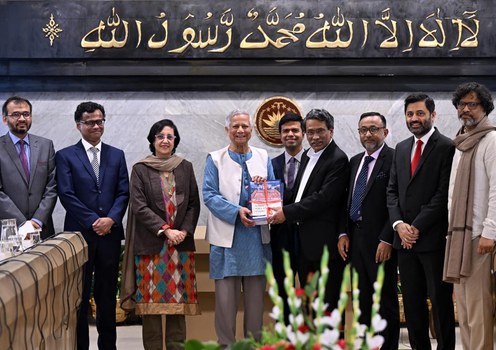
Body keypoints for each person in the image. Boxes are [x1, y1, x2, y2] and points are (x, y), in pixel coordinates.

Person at [121, 119, 201, 350]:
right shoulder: (140, 168)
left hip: (180, 246)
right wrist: (167, 230)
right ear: (152, 140)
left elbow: (194, 203)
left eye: (170, 136)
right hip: (151, 246)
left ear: (175, 141)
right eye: (160, 136)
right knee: (151, 309)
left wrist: (183, 231)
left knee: (178, 308)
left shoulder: (185, 166)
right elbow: (138, 205)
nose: (165, 140)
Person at [56, 101, 129, 350]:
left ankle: (108, 347)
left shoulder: (116, 154)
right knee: (79, 297)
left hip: (109, 235)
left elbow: (123, 193)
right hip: (79, 236)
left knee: (107, 297)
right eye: (90, 122)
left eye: (100, 121)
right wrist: (92, 220)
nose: (96, 126)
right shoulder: (65, 156)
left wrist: (110, 219)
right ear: (79, 125)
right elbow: (66, 194)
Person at [387, 94, 455, 350]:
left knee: (440, 303)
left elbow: (443, 194)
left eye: (420, 113)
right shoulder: (402, 147)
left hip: (432, 239)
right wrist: (399, 225)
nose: (414, 119)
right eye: (410, 114)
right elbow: (391, 191)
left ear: (432, 115)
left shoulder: (447, 147)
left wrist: (416, 226)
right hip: (404, 241)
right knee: (413, 304)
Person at [203, 110, 274, 346]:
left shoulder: (263, 157)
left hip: (256, 240)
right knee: (225, 306)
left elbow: (272, 193)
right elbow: (209, 195)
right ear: (227, 130)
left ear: (251, 131)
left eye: (245, 126)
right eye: (235, 127)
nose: (240, 131)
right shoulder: (214, 159)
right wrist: (236, 211)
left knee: (256, 308)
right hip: (226, 242)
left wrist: (264, 192)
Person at [270, 108, 349, 313]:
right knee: (310, 304)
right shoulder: (307, 155)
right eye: (311, 131)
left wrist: (286, 212)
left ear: (331, 131)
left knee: (328, 304)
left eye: (320, 131)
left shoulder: (338, 159)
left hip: (325, 243)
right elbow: (299, 194)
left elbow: (323, 198)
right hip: (304, 243)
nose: (315, 137)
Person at [338, 112, 399, 349]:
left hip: (381, 241)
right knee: (362, 300)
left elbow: (397, 203)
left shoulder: (395, 159)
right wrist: (343, 233)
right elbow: (347, 200)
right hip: (356, 240)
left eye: (374, 129)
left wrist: (387, 238)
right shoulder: (355, 161)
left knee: (384, 301)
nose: (368, 134)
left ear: (385, 131)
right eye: (363, 129)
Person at [443, 82, 496, 350]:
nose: (465, 109)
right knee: (463, 308)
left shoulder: (491, 140)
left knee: (478, 308)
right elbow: (454, 194)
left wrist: (490, 231)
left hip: (479, 237)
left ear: (484, 106)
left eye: (472, 104)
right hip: (459, 237)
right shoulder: (461, 141)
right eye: (461, 104)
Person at [0, 96, 57, 239]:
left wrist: (36, 221)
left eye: (26, 114)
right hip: (8, 229)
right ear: (5, 119)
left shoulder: (46, 145)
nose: (21, 118)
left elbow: (52, 187)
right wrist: (22, 223)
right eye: (15, 114)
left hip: (42, 227)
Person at [270, 112, 305, 322]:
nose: (290, 134)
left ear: (303, 133)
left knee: (312, 293)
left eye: (295, 130)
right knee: (284, 294)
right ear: (280, 135)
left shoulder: (314, 162)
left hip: (309, 238)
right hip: (280, 239)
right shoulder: (270, 165)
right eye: (286, 131)